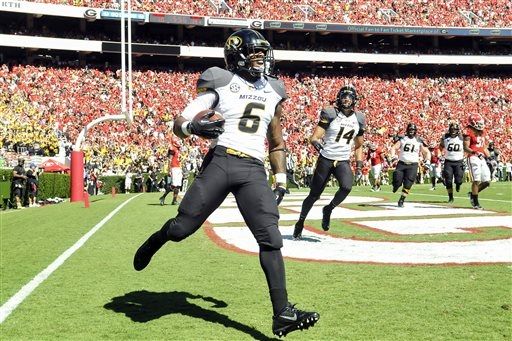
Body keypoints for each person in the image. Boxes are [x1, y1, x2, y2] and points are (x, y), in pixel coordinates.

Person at [133, 29, 319, 337]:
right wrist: (192, 127)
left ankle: (283, 314)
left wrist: (282, 179)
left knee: (271, 237)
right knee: (182, 229)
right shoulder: (221, 80)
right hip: (221, 160)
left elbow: (276, 141)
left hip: (253, 169)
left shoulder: (273, 89)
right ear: (238, 56)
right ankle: (157, 239)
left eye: (263, 55)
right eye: (256, 54)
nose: (262, 61)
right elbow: (179, 123)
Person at [293, 85, 365, 239]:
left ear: (354, 100)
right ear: (339, 98)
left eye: (350, 96)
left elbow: (359, 145)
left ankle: (329, 209)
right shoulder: (331, 113)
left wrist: (359, 165)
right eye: (344, 96)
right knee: (314, 195)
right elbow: (314, 137)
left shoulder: (359, 118)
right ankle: (300, 221)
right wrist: (319, 147)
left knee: (346, 187)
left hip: (343, 160)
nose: (346, 99)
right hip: (326, 159)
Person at [390, 123, 431, 207]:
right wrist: (393, 156)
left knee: (408, 184)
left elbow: (427, 152)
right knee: (397, 180)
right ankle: (395, 185)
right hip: (401, 163)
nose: (411, 131)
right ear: (407, 130)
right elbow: (394, 148)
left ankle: (401, 199)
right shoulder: (403, 139)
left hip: (413, 165)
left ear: (415, 131)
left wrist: (428, 161)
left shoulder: (419, 141)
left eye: (413, 130)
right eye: (410, 130)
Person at [463, 113, 491, 209]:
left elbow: (483, 147)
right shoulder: (468, 132)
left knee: (487, 181)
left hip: (481, 157)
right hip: (473, 157)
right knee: (476, 180)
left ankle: (472, 194)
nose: (480, 124)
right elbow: (465, 148)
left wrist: (490, 157)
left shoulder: (483, 132)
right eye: (478, 122)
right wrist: (475, 152)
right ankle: (475, 202)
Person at [440, 122, 464, 203]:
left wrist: (465, 156)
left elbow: (467, 147)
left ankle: (458, 184)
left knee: (459, 180)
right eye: (452, 129)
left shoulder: (461, 138)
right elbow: (441, 146)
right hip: (448, 161)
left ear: (458, 130)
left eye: (455, 129)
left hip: (459, 161)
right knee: (448, 181)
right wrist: (440, 154)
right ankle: (450, 197)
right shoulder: (445, 137)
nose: (453, 131)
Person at [159, 139, 183, 205]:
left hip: (178, 168)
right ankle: (163, 197)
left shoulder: (178, 149)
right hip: (174, 168)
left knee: (178, 186)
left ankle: (174, 201)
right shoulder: (173, 149)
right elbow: (169, 160)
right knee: (173, 185)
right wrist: (169, 170)